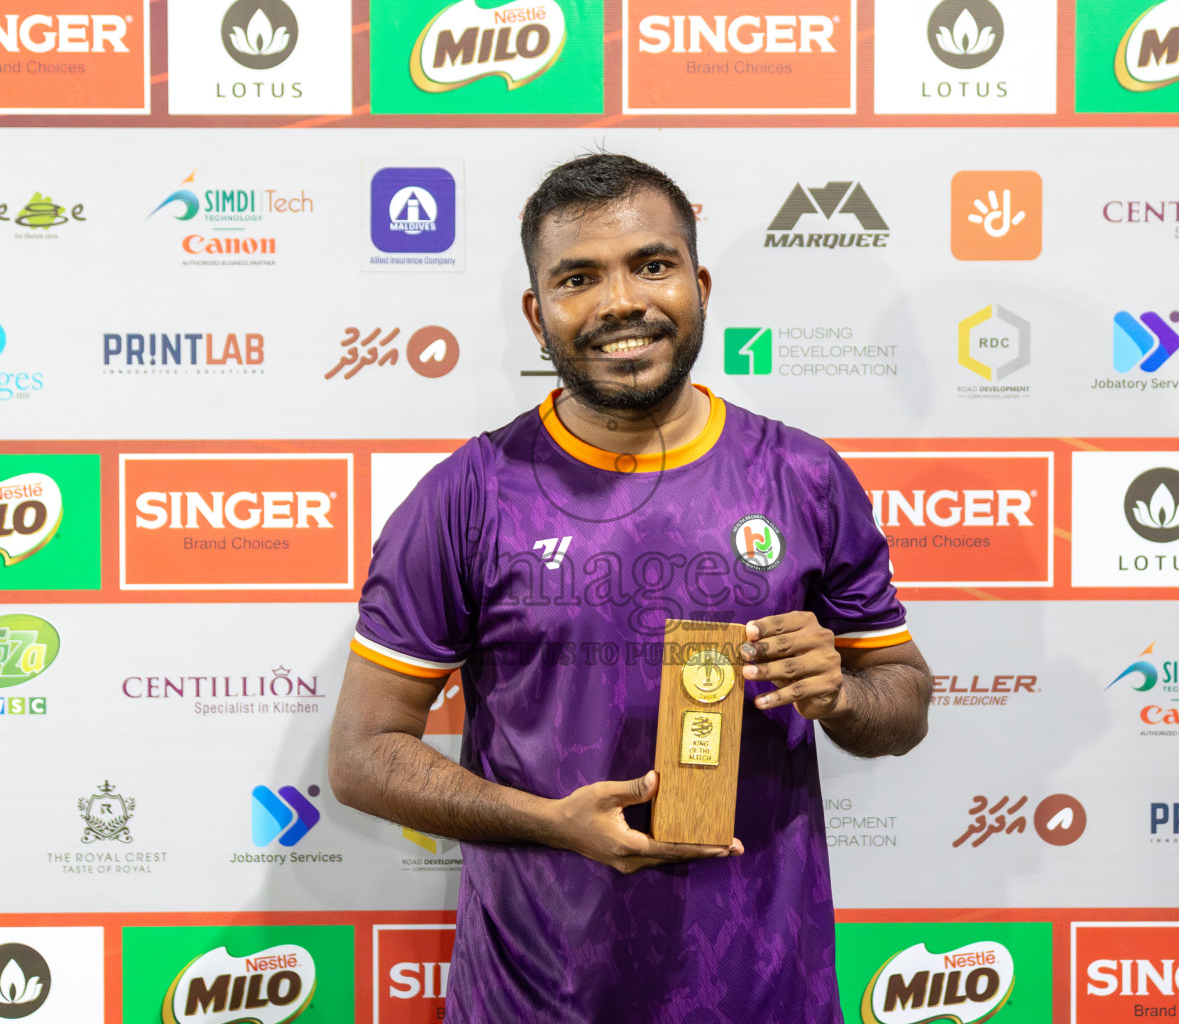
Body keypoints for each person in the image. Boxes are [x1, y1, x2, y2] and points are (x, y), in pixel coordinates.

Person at [328, 153, 932, 1023]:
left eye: (653, 264)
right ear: (537, 315)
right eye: (580, 277)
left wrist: (839, 693)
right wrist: (549, 821)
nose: (621, 302)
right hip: (538, 1000)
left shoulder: (802, 476)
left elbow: (903, 705)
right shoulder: (466, 495)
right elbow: (361, 755)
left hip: (767, 995)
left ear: (700, 284)